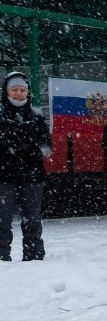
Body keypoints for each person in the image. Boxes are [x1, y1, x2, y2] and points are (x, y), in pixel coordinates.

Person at [0, 72, 50, 261]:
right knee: (2, 219)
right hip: (4, 177)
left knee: (32, 218)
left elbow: (46, 145)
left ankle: (34, 254)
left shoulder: (36, 115)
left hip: (32, 176)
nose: (18, 93)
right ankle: (1, 255)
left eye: (22, 90)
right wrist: (10, 149)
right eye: (14, 89)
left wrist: (30, 150)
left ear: (27, 92)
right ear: (7, 92)